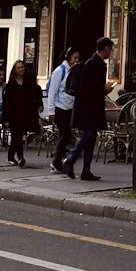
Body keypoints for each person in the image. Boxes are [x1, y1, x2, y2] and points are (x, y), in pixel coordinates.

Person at [62, 36, 116, 182]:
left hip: (88, 106)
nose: (111, 52)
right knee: (88, 136)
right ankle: (70, 160)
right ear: (105, 49)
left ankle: (85, 169)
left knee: (90, 138)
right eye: (110, 49)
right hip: (89, 107)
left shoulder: (92, 62)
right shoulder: (95, 64)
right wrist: (104, 89)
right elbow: (90, 88)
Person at [45, 47, 80, 175]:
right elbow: (52, 91)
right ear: (68, 57)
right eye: (74, 58)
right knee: (65, 133)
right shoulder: (60, 71)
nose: (76, 60)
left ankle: (58, 159)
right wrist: (51, 111)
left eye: (78, 58)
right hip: (59, 107)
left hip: (69, 107)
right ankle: (56, 161)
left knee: (65, 134)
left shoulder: (73, 70)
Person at [2, 60, 43, 167]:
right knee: (17, 135)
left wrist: (39, 104)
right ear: (15, 70)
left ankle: (11, 155)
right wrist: (6, 118)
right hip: (14, 114)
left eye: (22, 67)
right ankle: (20, 157)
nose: (21, 69)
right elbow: (6, 103)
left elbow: (37, 91)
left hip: (27, 113)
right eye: (18, 68)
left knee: (21, 135)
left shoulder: (29, 82)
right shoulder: (10, 85)